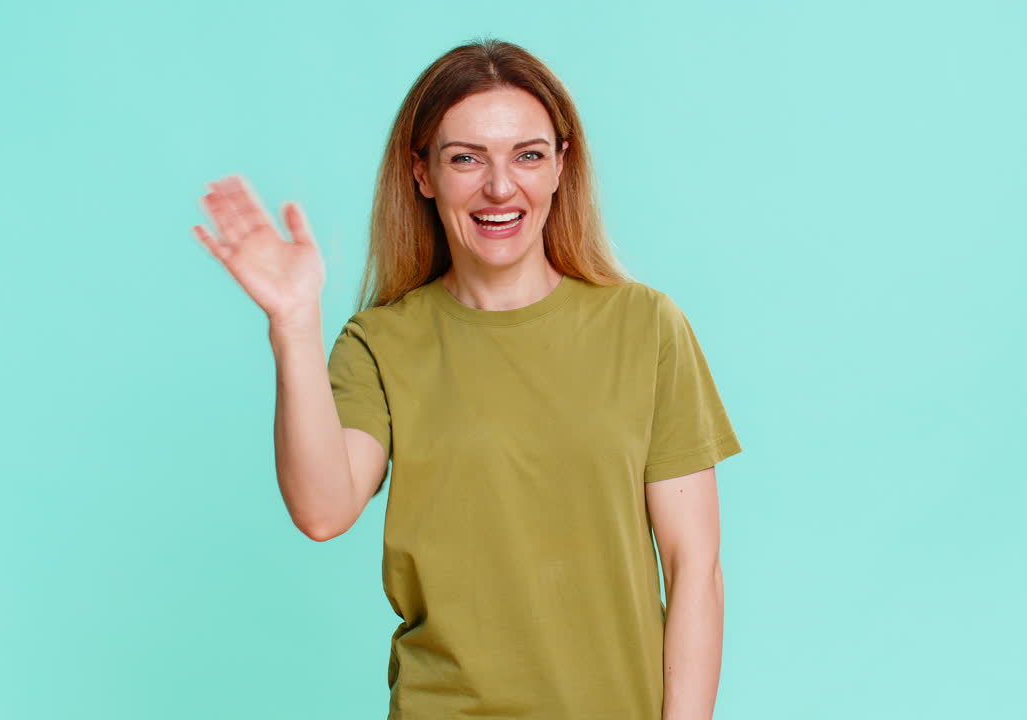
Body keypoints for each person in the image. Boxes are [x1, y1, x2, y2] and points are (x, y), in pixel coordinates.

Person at [193, 38, 741, 720]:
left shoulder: (647, 327)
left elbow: (695, 569)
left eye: (528, 155)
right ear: (421, 173)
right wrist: (294, 323)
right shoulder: (381, 344)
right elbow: (323, 510)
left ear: (562, 167)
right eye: (465, 159)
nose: (500, 187)